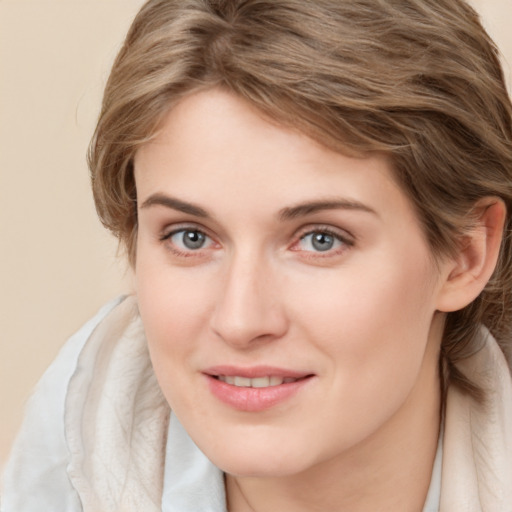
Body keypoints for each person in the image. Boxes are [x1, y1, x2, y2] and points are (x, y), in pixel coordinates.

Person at [3, 0, 512, 510]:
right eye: (191, 237)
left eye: (321, 239)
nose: (241, 320)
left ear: (466, 254)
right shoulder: (75, 433)